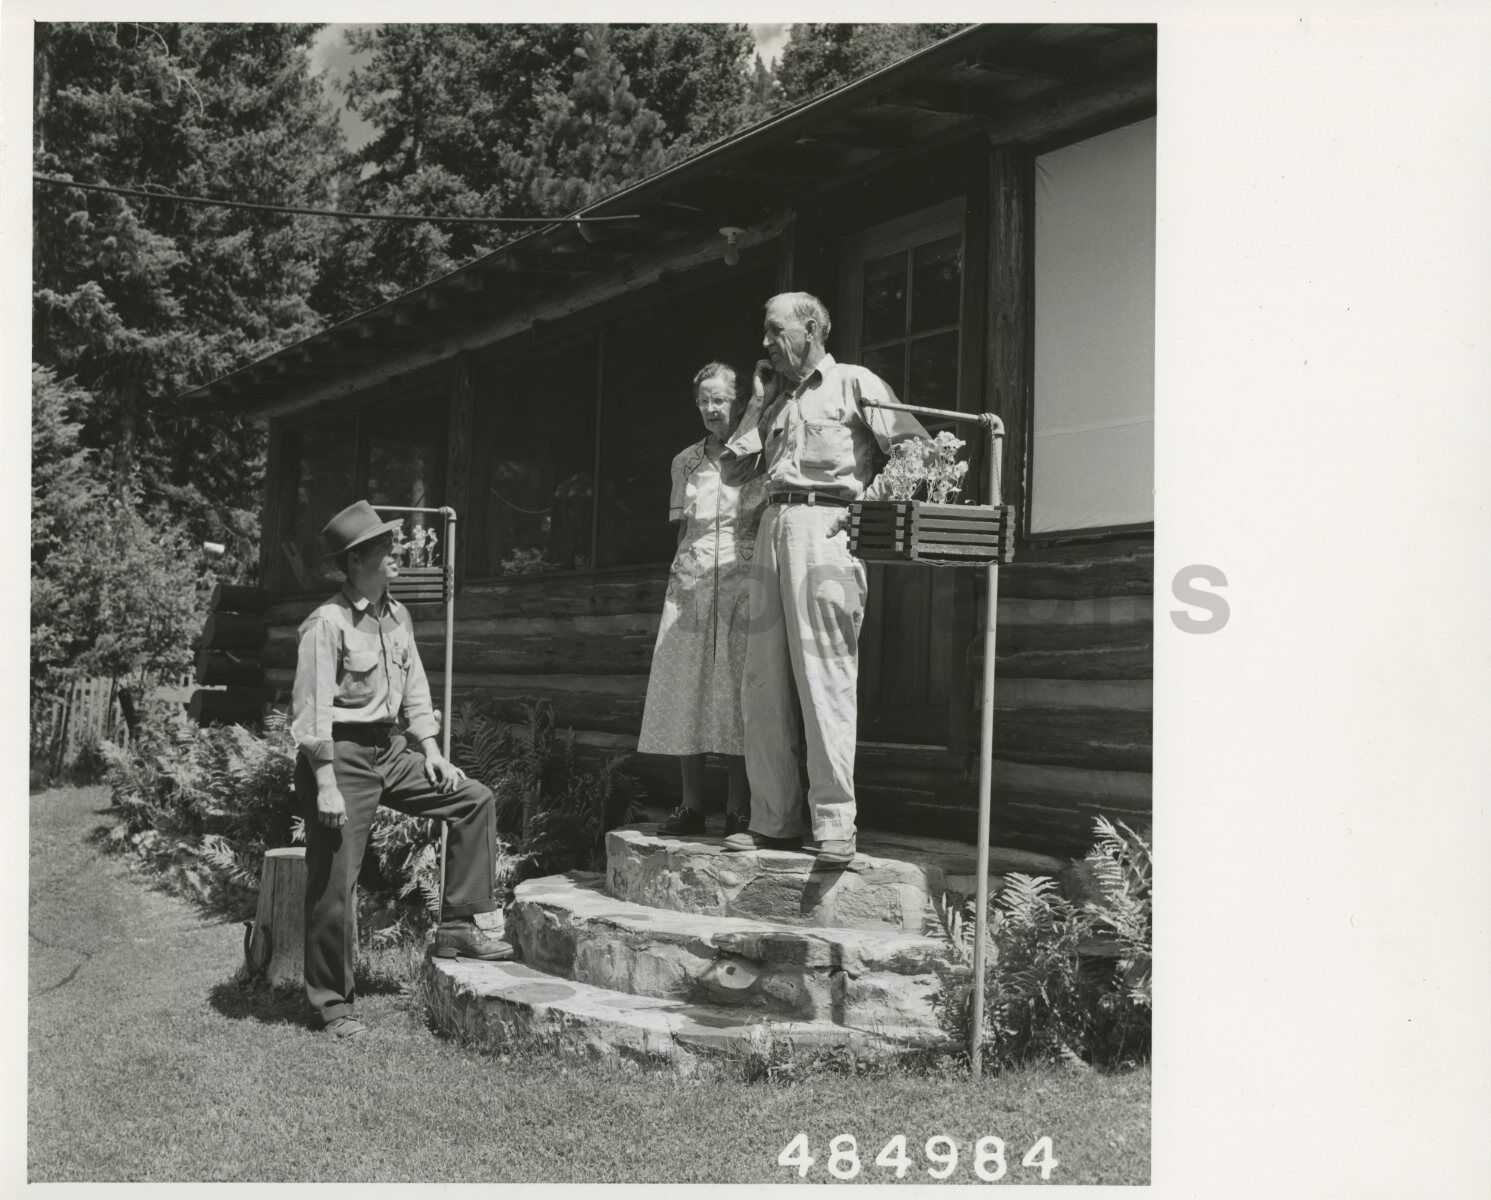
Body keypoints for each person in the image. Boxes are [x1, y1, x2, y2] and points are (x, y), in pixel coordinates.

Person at [718, 293, 929, 867]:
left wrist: (862, 513)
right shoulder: (777, 400)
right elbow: (733, 469)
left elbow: (919, 452)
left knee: (824, 678)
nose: (764, 342)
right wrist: (757, 404)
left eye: (774, 330)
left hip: (826, 529)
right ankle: (774, 820)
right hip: (771, 530)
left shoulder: (856, 383)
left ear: (810, 329)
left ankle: (835, 822)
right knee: (763, 682)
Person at [291, 499, 511, 1041]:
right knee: (334, 884)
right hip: (339, 758)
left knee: (473, 798)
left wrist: (431, 750)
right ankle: (331, 1005)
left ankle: (458, 926)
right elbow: (312, 712)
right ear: (357, 560)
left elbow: (414, 687)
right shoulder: (327, 624)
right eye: (386, 549)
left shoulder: (398, 615)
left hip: (390, 750)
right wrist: (325, 784)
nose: (397, 556)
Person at [637, 363, 768, 837]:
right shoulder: (684, 462)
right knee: (686, 687)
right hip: (691, 582)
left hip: (742, 579)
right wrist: (677, 584)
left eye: (720, 400)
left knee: (734, 689)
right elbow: (683, 532)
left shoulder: (759, 456)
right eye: (704, 401)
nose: (712, 409)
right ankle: (691, 805)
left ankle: (738, 807)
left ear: (738, 401)